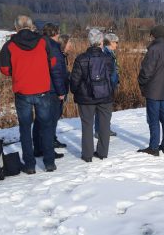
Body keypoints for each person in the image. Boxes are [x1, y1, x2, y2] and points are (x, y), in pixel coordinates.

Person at [0, 15, 57, 174]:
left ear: (16, 27)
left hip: (22, 91)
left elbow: (4, 69)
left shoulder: (9, 45)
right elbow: (52, 62)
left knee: (25, 128)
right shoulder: (43, 41)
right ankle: (49, 162)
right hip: (42, 89)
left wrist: (17, 71)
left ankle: (30, 165)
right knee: (46, 126)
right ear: (31, 26)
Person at [70, 29, 114, 163]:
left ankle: (87, 154)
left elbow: (75, 80)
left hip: (86, 97)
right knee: (105, 125)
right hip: (105, 96)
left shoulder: (81, 58)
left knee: (87, 125)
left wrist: (75, 91)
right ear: (101, 42)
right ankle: (102, 152)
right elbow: (112, 78)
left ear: (89, 41)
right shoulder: (108, 58)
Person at [137, 25, 164, 156]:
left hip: (153, 90)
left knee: (153, 120)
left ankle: (154, 148)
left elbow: (146, 71)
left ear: (154, 35)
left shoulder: (154, 50)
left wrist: (141, 82)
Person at [33, 23, 68, 158]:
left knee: (39, 120)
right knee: (50, 121)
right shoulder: (53, 47)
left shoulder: (38, 44)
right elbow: (56, 71)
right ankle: (48, 150)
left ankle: (38, 148)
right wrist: (61, 91)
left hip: (38, 86)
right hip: (52, 89)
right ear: (55, 33)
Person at [95, 33, 120, 138]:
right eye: (116, 42)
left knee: (107, 109)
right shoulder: (105, 53)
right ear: (111, 42)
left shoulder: (110, 53)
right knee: (102, 109)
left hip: (110, 85)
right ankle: (98, 131)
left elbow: (114, 70)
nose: (117, 44)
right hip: (105, 86)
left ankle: (105, 128)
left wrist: (116, 81)